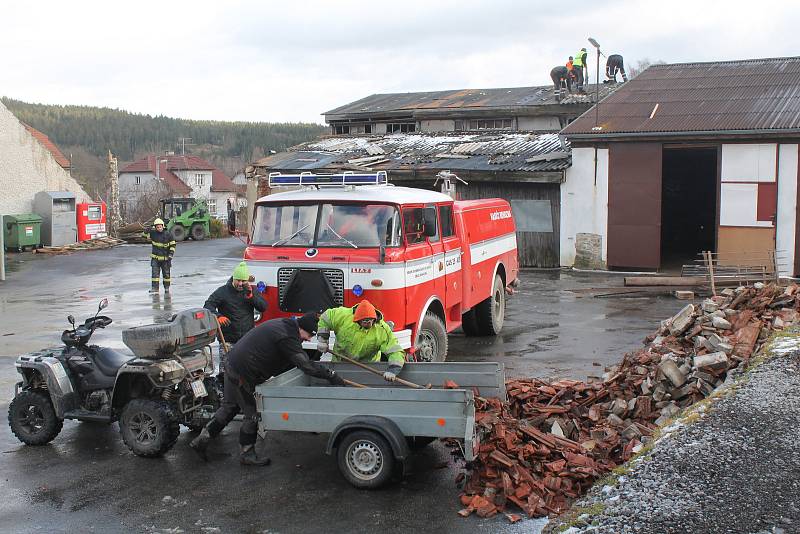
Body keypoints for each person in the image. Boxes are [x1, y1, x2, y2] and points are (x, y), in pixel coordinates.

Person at [189, 313, 346, 465]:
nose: (309, 339)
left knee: (229, 407)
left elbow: (290, 360)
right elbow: (303, 365)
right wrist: (331, 375)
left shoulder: (286, 325)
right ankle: (247, 453)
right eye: (309, 334)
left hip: (233, 363)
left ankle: (201, 441)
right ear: (302, 327)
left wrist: (311, 359)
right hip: (243, 373)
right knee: (252, 413)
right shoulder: (287, 337)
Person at [204, 261, 267, 382]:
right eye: (238, 280)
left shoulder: (251, 291)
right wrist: (218, 316)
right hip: (227, 339)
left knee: (247, 368)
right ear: (233, 278)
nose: (240, 283)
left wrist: (251, 296)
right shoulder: (222, 292)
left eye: (243, 281)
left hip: (247, 338)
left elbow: (263, 307)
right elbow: (208, 305)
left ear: (247, 281)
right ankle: (223, 392)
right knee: (226, 370)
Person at [317, 300, 405, 383]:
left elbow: (395, 350)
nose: (367, 324)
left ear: (374, 319)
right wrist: (322, 339)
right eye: (364, 321)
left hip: (368, 368)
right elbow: (325, 318)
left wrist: (393, 370)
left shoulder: (382, 330)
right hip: (340, 365)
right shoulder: (343, 316)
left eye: (369, 321)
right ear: (357, 319)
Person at [148, 218, 175, 293]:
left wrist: (171, 255)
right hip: (155, 258)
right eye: (157, 227)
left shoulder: (168, 234)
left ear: (163, 226)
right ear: (155, 227)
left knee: (166, 274)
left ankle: (166, 288)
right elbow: (144, 236)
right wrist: (146, 230)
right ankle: (155, 288)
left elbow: (173, 245)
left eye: (160, 227)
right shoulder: (153, 233)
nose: (159, 228)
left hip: (166, 259)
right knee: (154, 275)